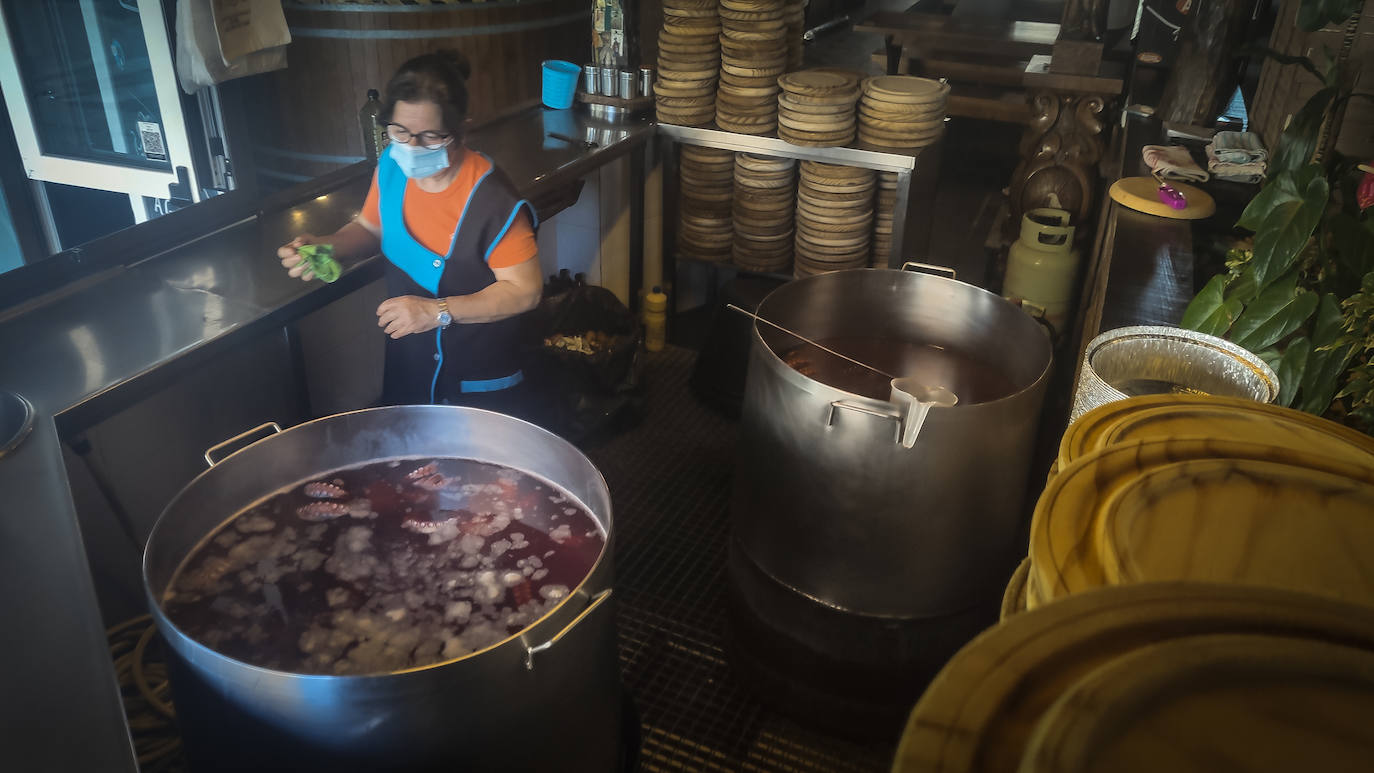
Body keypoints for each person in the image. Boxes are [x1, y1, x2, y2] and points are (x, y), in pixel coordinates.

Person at [278, 50, 543, 419]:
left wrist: (438, 312)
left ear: (461, 130)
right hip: (410, 364)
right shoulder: (392, 164)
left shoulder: (494, 202)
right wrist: (328, 246)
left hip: (477, 382)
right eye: (400, 131)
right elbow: (371, 227)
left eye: (431, 136)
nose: (412, 147)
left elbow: (524, 291)